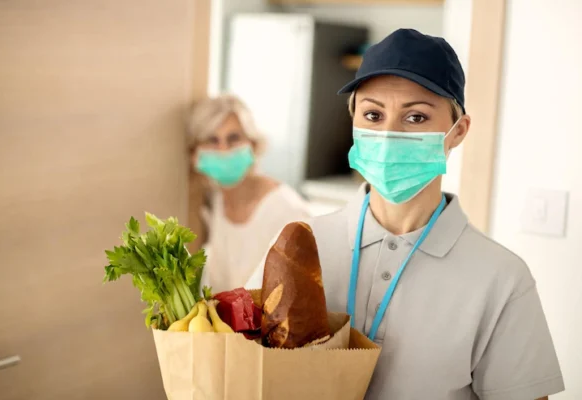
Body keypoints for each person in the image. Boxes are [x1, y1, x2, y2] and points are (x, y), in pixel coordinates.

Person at [246, 29, 564, 399]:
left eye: (415, 118)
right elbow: (240, 362)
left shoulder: (500, 278)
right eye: (373, 114)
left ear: (458, 131)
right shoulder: (299, 247)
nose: (388, 134)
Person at [186, 94, 310, 293]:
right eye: (212, 140)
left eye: (233, 138)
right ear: (195, 155)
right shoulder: (215, 201)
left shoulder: (287, 211)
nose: (223, 149)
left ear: (253, 145)